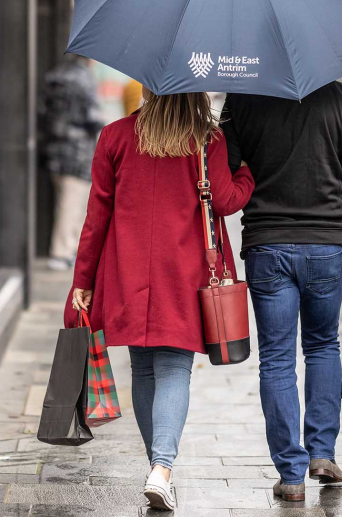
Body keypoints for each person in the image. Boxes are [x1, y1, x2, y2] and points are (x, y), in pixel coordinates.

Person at [65, 90, 254, 510]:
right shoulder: (206, 140)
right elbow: (226, 201)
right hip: (183, 272)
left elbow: (96, 216)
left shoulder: (115, 136)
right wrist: (245, 174)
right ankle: (161, 469)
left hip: (127, 271)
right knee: (173, 369)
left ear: (149, 88)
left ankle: (158, 468)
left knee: (144, 369)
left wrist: (83, 280)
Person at [221, 84, 342, 503]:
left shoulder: (242, 97)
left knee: (277, 357)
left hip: (266, 243)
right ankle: (322, 453)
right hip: (326, 244)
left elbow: (226, 171)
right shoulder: (341, 97)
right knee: (321, 345)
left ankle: (291, 474)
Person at [39, 55, 105, 270]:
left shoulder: (55, 75)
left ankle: (70, 249)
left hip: (54, 149)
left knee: (65, 199)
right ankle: (62, 253)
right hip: (78, 152)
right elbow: (93, 117)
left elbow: (42, 112)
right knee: (72, 203)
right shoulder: (84, 78)